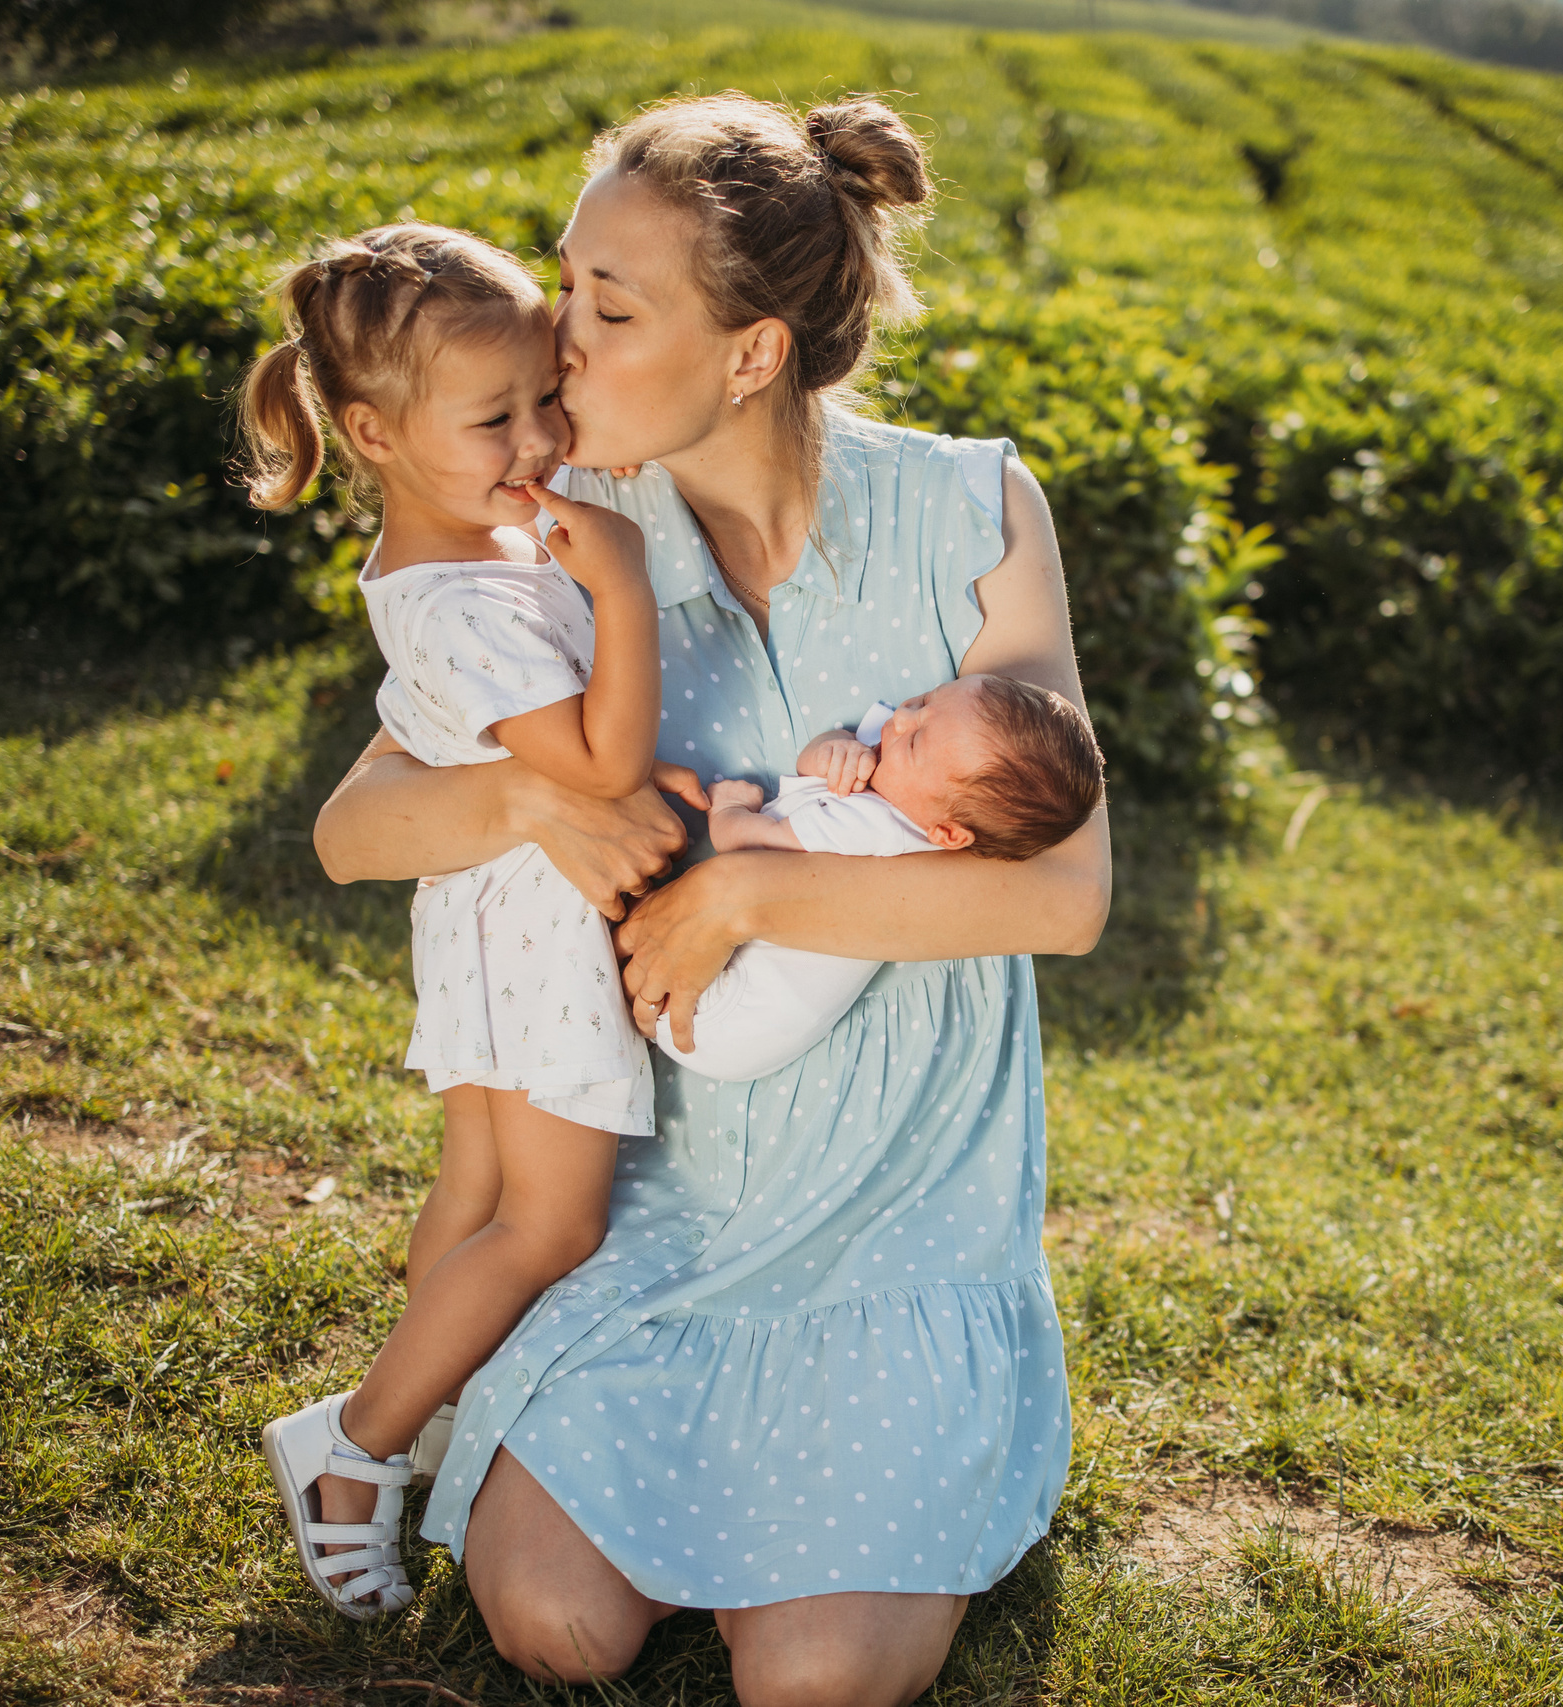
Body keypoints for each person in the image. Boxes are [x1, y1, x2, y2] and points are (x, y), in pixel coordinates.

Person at [312, 91, 1110, 1707]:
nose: (555, 336)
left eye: (609, 307)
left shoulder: (972, 512)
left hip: (899, 1215)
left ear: (749, 351)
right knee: (552, 1620)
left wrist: (743, 887)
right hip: (662, 1203)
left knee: (812, 1679)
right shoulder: (564, 546)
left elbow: (1066, 895)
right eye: (563, 283)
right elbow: (355, 829)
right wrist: (531, 794)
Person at [234, 221, 705, 1620]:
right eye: (495, 417)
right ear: (373, 435)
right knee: (549, 1225)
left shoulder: (472, 551)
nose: (539, 436)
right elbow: (599, 768)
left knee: (479, 1195)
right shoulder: (473, 600)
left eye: (543, 400)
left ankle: (421, 1417)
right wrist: (617, 582)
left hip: (491, 923)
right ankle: (356, 1446)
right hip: (540, 941)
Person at [665, 674, 1103, 1082]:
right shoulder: (917, 787)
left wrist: (729, 809)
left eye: (913, 742)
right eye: (923, 701)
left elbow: (745, 848)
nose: (900, 718)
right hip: (734, 1026)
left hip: (720, 1016)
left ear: (947, 833)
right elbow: (815, 765)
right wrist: (835, 748)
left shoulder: (867, 828)